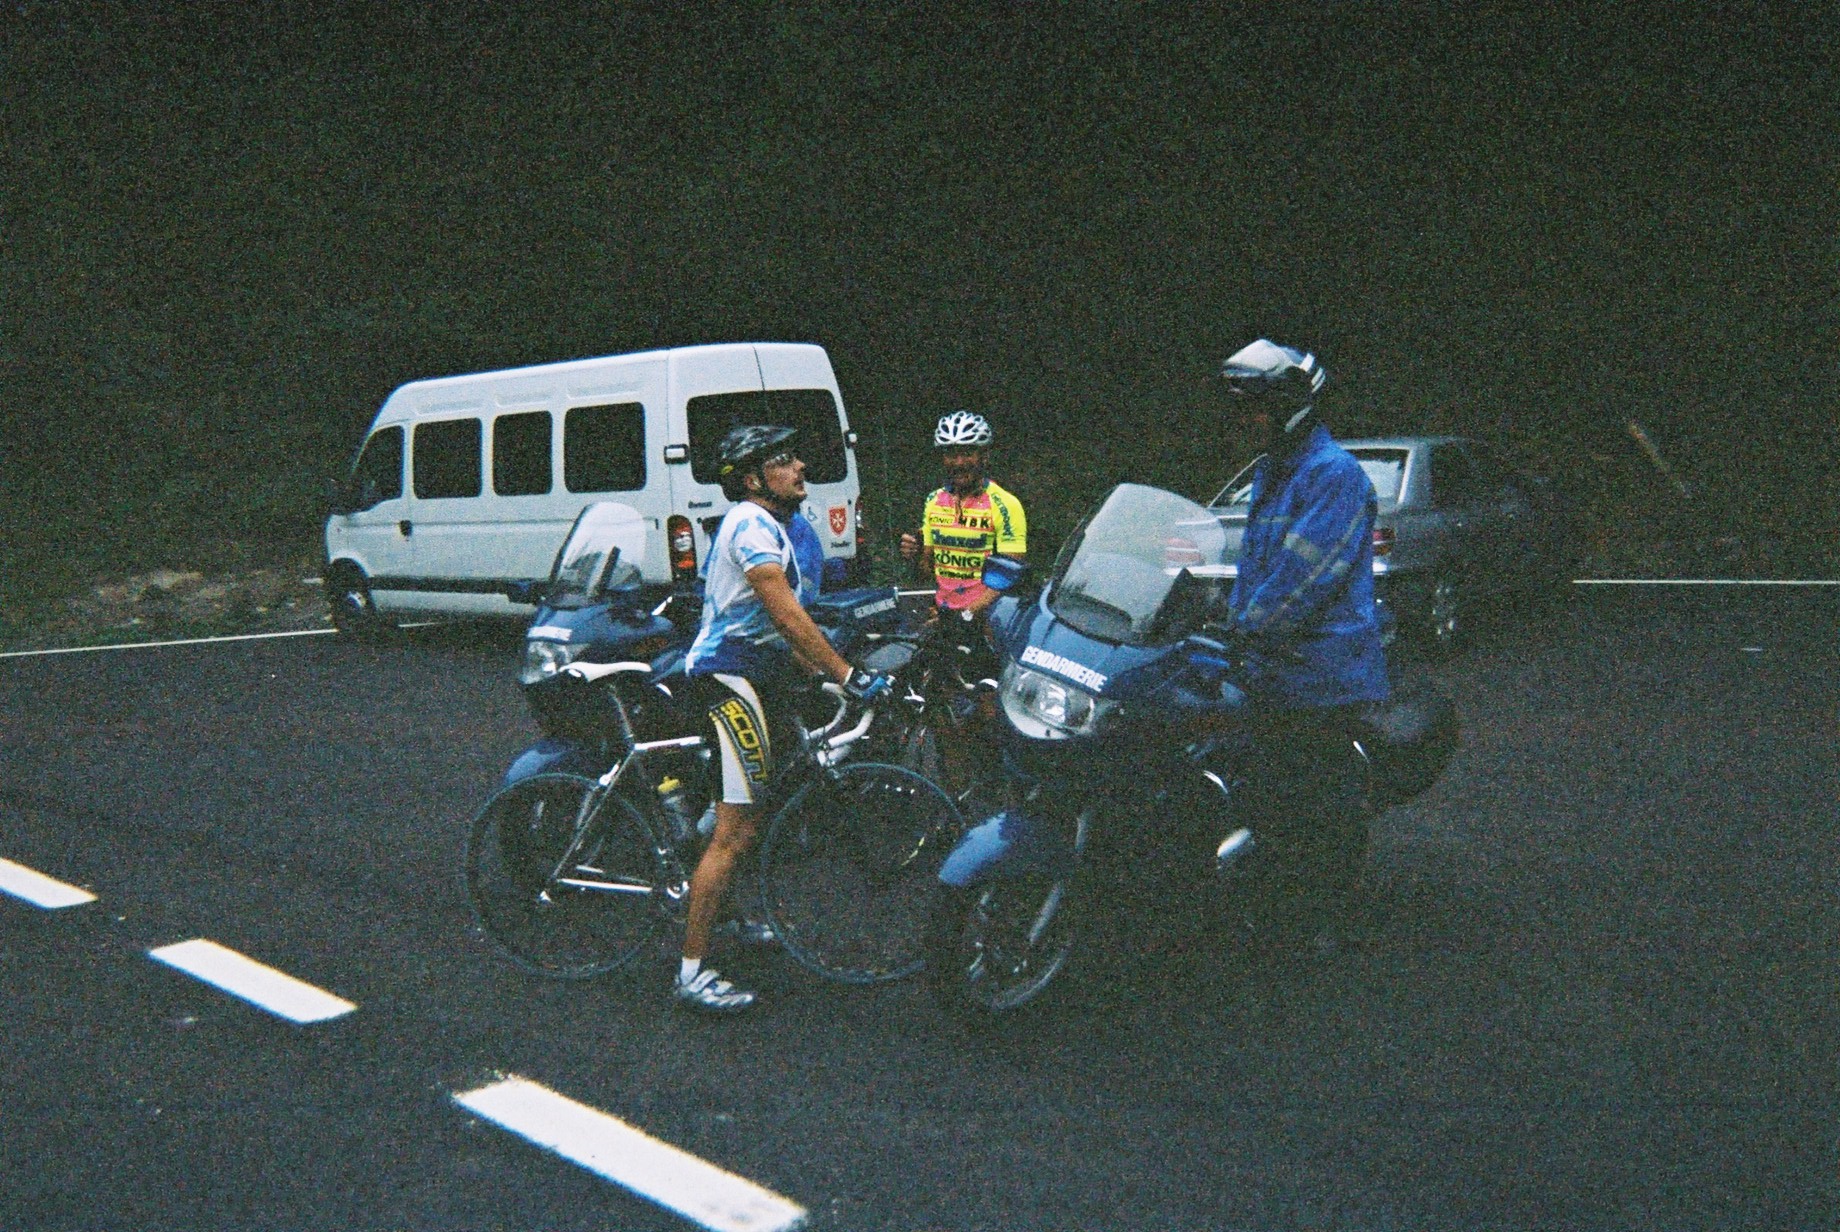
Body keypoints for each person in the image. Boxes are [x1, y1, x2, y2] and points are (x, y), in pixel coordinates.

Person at [675, 425, 889, 1013]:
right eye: (783, 461)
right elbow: (789, 617)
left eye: (796, 456)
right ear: (752, 480)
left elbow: (781, 633)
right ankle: (691, 973)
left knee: (754, 805)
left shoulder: (775, 528)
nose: (800, 467)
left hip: (756, 669)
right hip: (729, 676)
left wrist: (828, 677)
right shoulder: (749, 525)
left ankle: (728, 909)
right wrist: (848, 675)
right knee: (735, 829)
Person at [1214, 339, 1389, 934]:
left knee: (1319, 800)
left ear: (1291, 403)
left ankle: (1328, 919)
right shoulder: (1273, 469)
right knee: (1268, 791)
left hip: (1321, 672)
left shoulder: (1333, 475)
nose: (1244, 420)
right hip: (1271, 667)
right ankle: (1272, 898)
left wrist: (1240, 629)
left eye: (1254, 407)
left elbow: (1301, 580)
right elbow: (1254, 567)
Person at [898, 411, 1026, 795]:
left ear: (983, 454)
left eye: (967, 452)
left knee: (988, 710)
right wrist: (916, 552)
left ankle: (1007, 789)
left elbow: (1012, 573)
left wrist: (972, 612)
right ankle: (956, 794)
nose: (958, 461)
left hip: (984, 619)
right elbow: (928, 570)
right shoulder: (933, 502)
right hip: (945, 618)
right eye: (951, 453)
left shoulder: (1004, 504)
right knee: (939, 707)